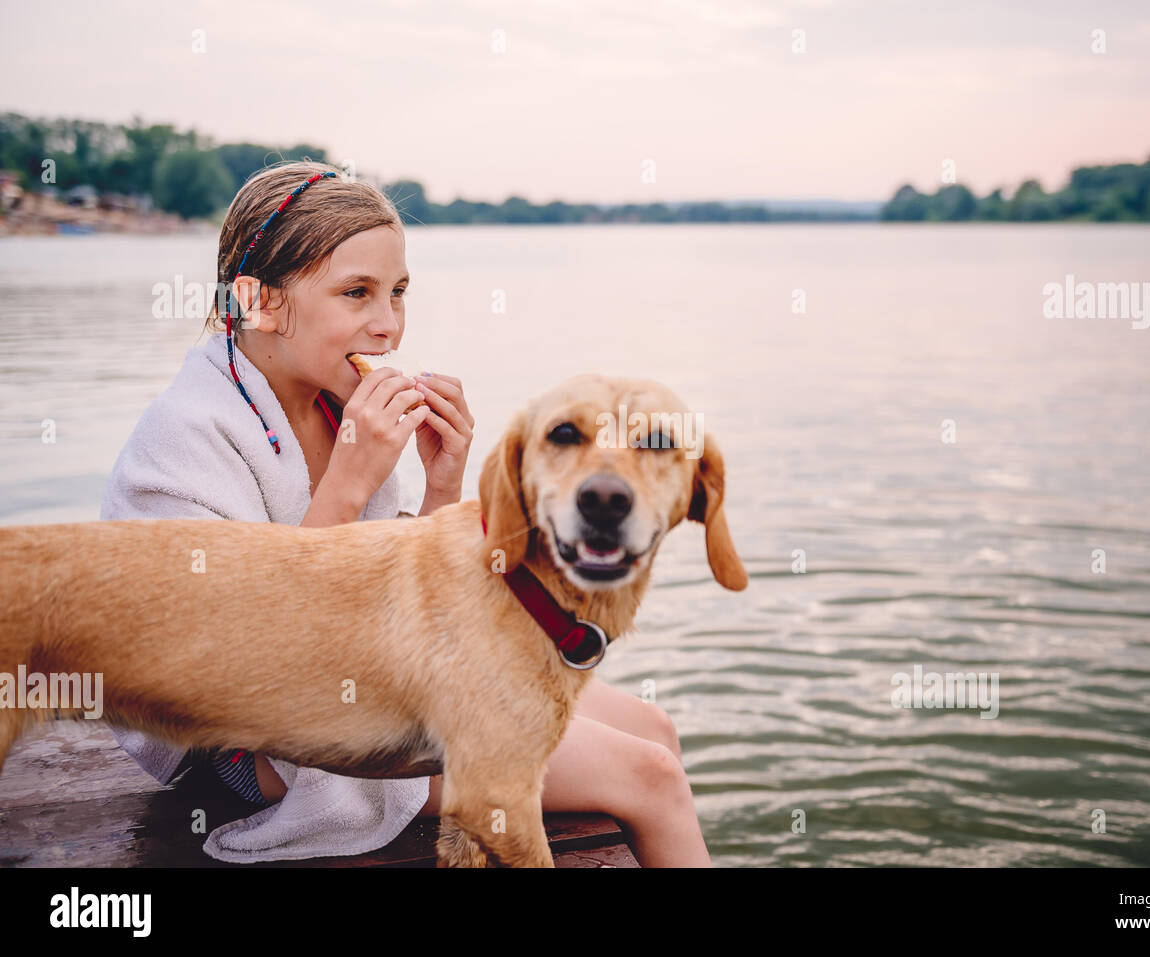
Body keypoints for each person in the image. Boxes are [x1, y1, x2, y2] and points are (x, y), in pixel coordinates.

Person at [102, 160, 709, 866]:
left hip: (366, 683)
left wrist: (440, 492)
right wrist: (348, 484)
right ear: (259, 302)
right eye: (356, 293)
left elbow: (394, 600)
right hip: (246, 742)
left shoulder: (331, 405)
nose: (387, 326)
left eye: (398, 293)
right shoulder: (184, 435)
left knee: (654, 728)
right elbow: (231, 652)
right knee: (651, 779)